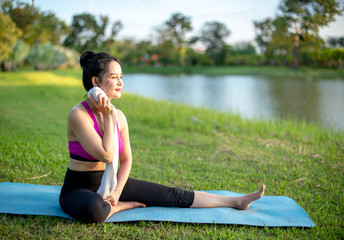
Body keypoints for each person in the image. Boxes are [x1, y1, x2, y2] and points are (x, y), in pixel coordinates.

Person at [59, 51, 266, 223]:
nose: (121, 82)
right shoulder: (79, 115)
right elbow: (107, 154)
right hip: (79, 187)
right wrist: (107, 116)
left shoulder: (119, 116)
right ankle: (120, 207)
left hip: (111, 183)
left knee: (173, 194)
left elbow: (126, 159)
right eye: (114, 77)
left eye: (122, 76)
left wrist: (117, 192)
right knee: (94, 210)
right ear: (96, 82)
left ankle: (235, 202)